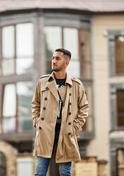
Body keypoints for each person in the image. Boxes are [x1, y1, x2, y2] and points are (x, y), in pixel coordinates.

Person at [32, 48, 89, 176]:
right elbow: (35, 103)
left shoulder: (76, 85)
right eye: (53, 58)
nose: (53, 61)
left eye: (58, 58)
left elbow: (84, 107)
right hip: (46, 130)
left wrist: (75, 126)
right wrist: (37, 121)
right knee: (40, 171)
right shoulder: (43, 82)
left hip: (66, 131)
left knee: (65, 173)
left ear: (66, 62)